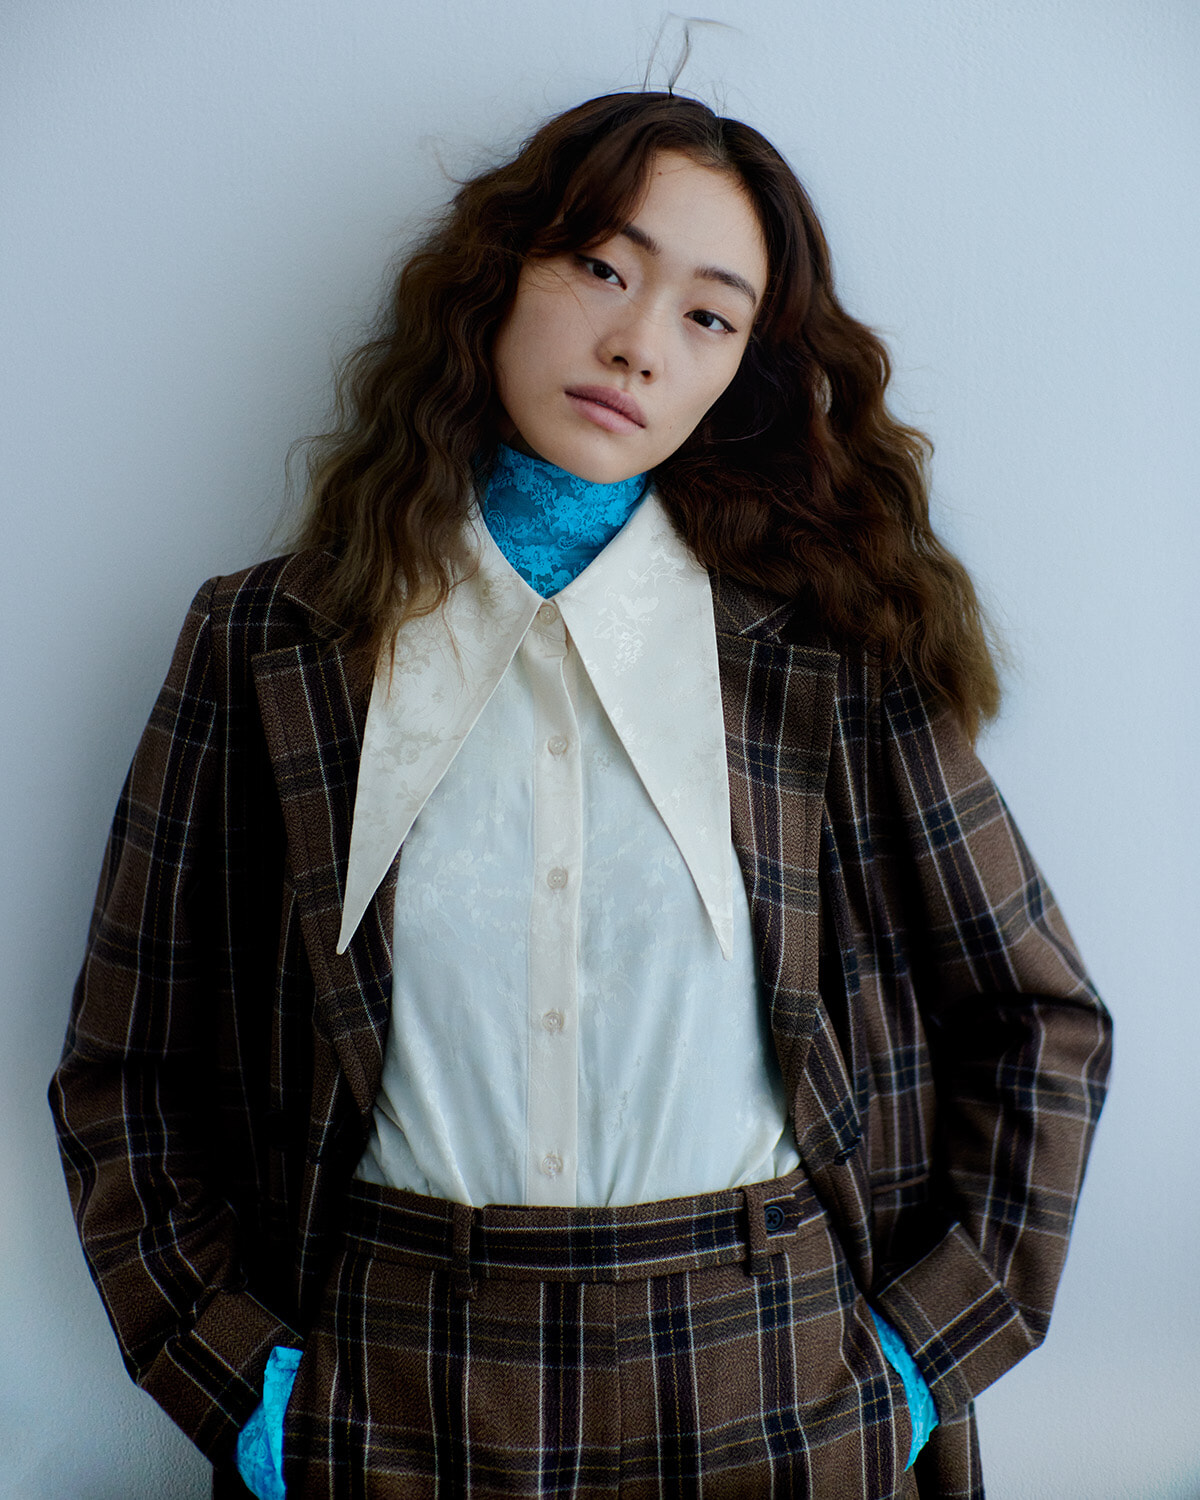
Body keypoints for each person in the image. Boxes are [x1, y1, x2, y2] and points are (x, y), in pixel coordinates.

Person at [49, 92, 1112, 1500]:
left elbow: (1040, 1022)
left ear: (743, 374)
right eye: (603, 267)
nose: (637, 344)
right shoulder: (270, 646)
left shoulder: (829, 662)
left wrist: (913, 1370)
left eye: (708, 316)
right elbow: (129, 1069)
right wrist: (242, 1388)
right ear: (500, 275)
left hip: (777, 1382)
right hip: (390, 1390)